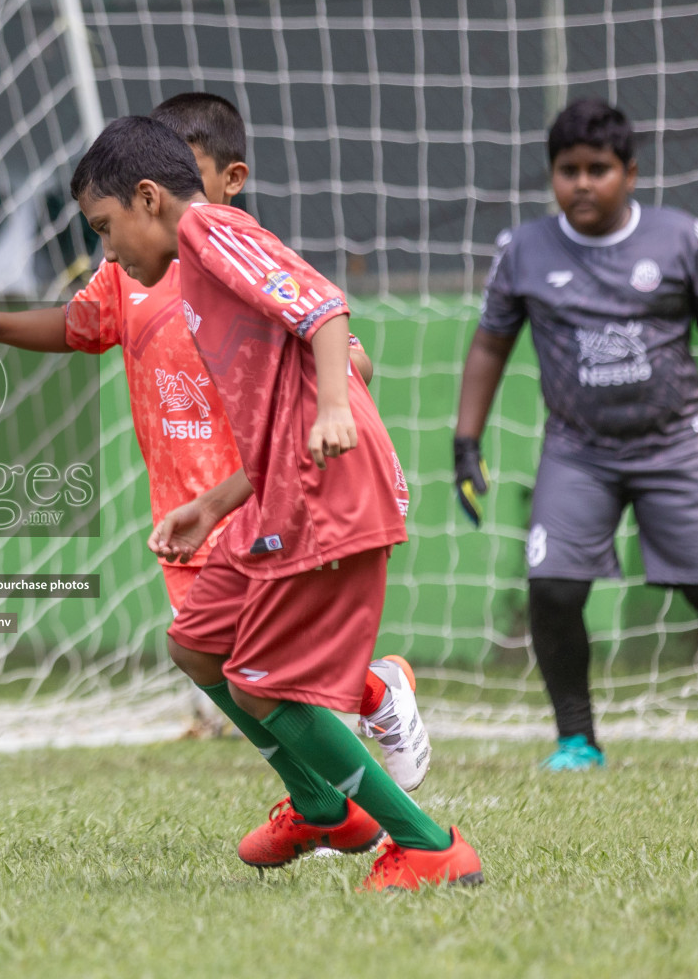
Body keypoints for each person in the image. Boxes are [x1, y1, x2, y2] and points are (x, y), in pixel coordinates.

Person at [0, 93, 431, 804]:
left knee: (272, 666)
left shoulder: (236, 257)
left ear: (218, 184)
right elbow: (77, 325)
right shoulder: (126, 275)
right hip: (184, 508)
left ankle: (353, 774)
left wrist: (327, 405)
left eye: (188, 177)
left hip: (256, 496)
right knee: (220, 659)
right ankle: (328, 792)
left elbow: (341, 345)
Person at [70, 115, 483, 890]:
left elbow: (323, 309)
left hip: (328, 490)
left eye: (105, 227)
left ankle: (425, 843)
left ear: (149, 199)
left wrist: (333, 406)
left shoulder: (210, 234)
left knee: (261, 682)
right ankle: (320, 798)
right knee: (195, 644)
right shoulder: (189, 274)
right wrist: (212, 503)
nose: (108, 251)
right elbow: (273, 414)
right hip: (274, 492)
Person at [453, 97, 698, 771]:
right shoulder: (521, 250)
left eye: (597, 169)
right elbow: (490, 345)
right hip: (578, 452)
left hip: (674, 445)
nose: (581, 183)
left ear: (629, 173)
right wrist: (466, 440)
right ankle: (575, 739)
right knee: (551, 587)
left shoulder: (680, 238)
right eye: (566, 169)